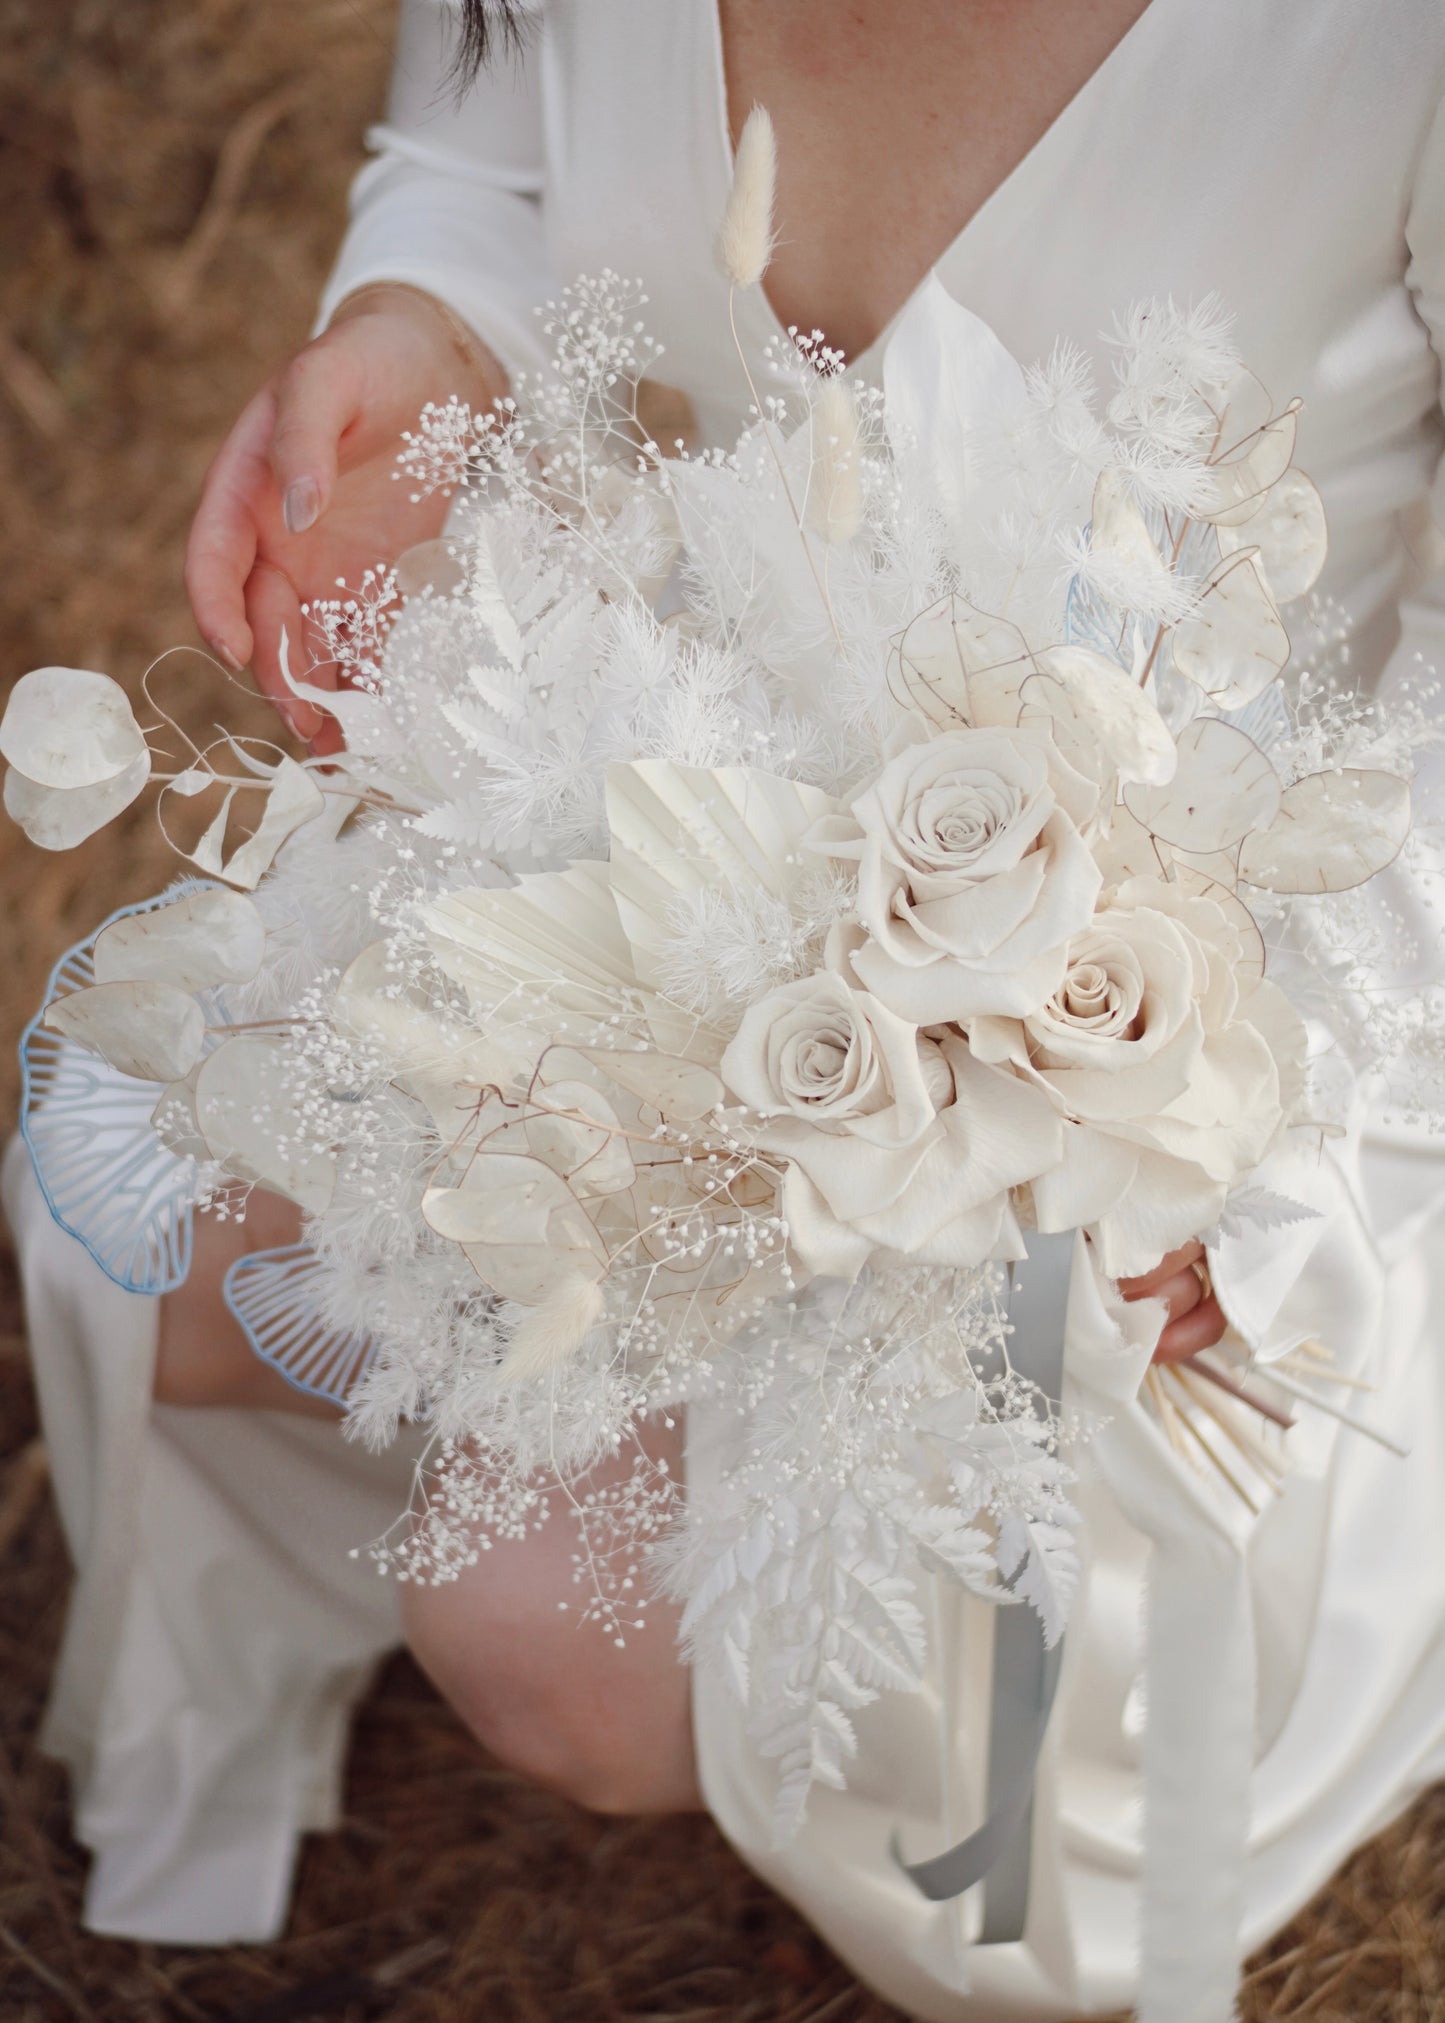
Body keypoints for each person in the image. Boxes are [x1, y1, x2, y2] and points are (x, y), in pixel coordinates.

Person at [7, 2, 1445, 2015]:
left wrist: (1178, 1099)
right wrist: (421, 330)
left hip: (1197, 1025)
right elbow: (487, 136)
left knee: (543, 1625)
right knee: (129, 1184)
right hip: (669, 812)